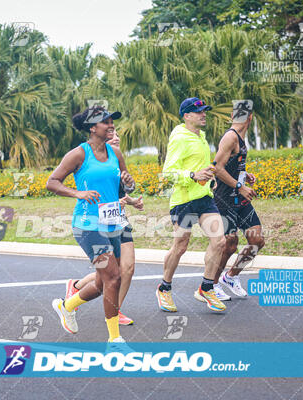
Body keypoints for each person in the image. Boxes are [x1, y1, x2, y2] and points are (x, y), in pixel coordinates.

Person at [47, 106, 135, 346]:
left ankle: (66, 307)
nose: (111, 125)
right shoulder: (78, 154)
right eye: (106, 121)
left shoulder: (116, 153)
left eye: (112, 121)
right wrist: (78, 193)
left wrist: (129, 185)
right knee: (114, 278)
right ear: (92, 127)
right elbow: (52, 182)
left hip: (112, 222)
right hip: (87, 225)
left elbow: (125, 186)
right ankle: (114, 341)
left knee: (100, 283)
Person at [64, 128, 144, 326]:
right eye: (111, 134)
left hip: (117, 219)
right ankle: (80, 290)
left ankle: (112, 306)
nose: (115, 138)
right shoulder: (87, 157)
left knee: (127, 268)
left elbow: (123, 189)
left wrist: (132, 200)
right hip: (94, 221)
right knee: (113, 273)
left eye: (116, 135)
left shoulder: (116, 158)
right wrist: (79, 193)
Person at [156, 97, 226, 313]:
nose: (203, 114)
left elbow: (199, 166)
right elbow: (167, 173)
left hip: (204, 198)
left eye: (204, 111)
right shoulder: (179, 138)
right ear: (186, 116)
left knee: (220, 241)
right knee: (181, 246)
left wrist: (207, 176)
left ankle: (206, 287)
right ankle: (164, 288)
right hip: (184, 201)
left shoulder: (201, 136)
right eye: (198, 112)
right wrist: (193, 175)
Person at [212, 101, 264, 301]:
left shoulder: (240, 138)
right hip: (225, 198)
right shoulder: (230, 137)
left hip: (239, 197)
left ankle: (230, 277)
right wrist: (239, 186)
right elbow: (217, 168)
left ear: (233, 116)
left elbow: (231, 164)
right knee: (230, 243)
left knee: (256, 241)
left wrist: (244, 175)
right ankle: (212, 284)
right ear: (250, 118)